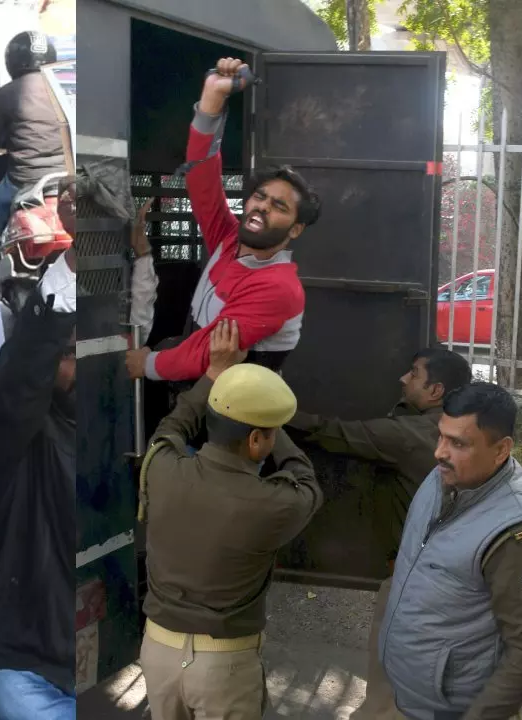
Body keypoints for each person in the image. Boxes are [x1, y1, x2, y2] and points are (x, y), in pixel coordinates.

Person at [138, 320, 322, 720]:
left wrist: (215, 375)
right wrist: (268, 417)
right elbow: (305, 478)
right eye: (266, 434)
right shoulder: (272, 504)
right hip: (224, 668)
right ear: (258, 440)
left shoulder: (162, 468)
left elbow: (171, 428)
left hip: (157, 655)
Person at [285, 348, 471, 719]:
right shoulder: (465, 432)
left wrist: (271, 412)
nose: (403, 378)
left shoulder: (415, 435)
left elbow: (331, 432)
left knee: (390, 689)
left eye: (414, 374)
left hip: (416, 585)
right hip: (452, 581)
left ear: (435, 391)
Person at [124, 57, 321, 383]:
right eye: (259, 197)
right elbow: (202, 178)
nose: (262, 207)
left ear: (295, 229)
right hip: (199, 392)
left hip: (235, 417)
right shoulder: (229, 240)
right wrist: (212, 100)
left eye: (279, 207)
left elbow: (204, 353)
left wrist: (145, 365)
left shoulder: (279, 287)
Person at [378, 382, 522, 719]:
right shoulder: (449, 476)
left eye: (458, 443)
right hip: (414, 700)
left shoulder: (517, 535)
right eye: (441, 436)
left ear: (502, 450)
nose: (439, 452)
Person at [0, 242, 77, 719]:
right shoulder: (22, 444)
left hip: (124, 664)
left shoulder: (130, 435)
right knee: (2, 698)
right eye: (70, 354)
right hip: (47, 667)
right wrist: (70, 267)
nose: (84, 363)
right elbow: (19, 382)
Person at [0, 31, 67, 245]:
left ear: (12, 61)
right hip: (67, 178)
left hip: (24, 181)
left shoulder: (6, 94)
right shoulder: (67, 91)